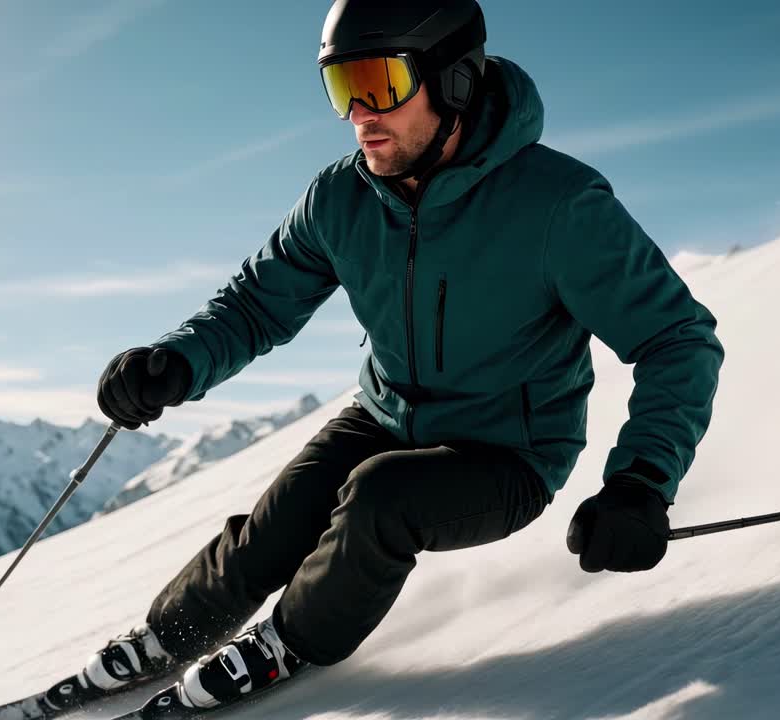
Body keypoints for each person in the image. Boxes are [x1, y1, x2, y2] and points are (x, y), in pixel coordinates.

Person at [67, 0, 724, 714]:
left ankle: (289, 643)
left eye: (379, 85)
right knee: (278, 523)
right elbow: (258, 304)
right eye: (342, 89)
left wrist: (641, 483)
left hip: (506, 453)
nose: (360, 115)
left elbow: (676, 339)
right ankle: (171, 634)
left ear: (455, 82)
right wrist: (175, 363)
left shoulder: (558, 205)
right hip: (387, 415)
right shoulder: (342, 198)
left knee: (381, 499)